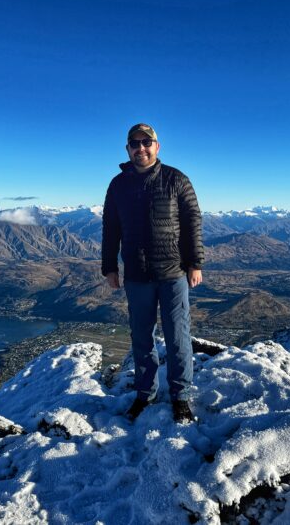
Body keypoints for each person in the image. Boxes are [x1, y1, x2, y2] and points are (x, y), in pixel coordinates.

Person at [102, 123, 204, 424]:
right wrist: (109, 267)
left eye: (147, 142)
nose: (141, 148)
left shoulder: (176, 179)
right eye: (135, 143)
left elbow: (192, 222)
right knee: (142, 338)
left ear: (157, 146)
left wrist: (195, 263)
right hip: (136, 273)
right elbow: (111, 228)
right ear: (128, 149)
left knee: (177, 337)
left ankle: (181, 396)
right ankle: (145, 393)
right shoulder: (118, 185)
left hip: (173, 272)